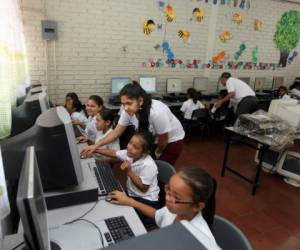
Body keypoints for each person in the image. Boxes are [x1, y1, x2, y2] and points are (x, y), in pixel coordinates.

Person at [107, 167, 219, 249]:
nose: (167, 198)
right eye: (168, 189)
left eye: (176, 197)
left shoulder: (201, 242)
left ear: (197, 206)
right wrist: (130, 201)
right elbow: (157, 214)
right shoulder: (176, 210)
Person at [81, 83, 185, 165]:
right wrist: (96, 145)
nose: (125, 108)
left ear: (140, 101)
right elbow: (116, 132)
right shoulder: (128, 111)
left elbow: (164, 139)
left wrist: (157, 154)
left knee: (158, 171)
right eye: (123, 104)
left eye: (129, 103)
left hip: (171, 142)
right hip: (154, 140)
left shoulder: (156, 112)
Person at [93, 131, 160, 213]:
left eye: (135, 147)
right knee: (108, 199)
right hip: (132, 194)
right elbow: (114, 153)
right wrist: (95, 150)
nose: (129, 147)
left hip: (146, 201)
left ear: (145, 153)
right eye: (130, 142)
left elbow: (144, 188)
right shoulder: (131, 154)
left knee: (117, 210)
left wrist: (129, 171)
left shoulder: (148, 165)